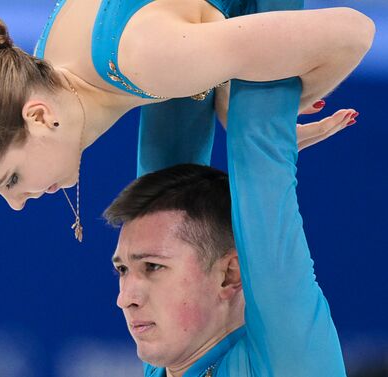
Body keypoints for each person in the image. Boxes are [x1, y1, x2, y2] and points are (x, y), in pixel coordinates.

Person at [0, 0, 374, 240]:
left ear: (38, 116)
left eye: (9, 179)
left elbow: (352, 32)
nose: (17, 203)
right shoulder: (45, 64)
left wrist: (263, 115)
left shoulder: (148, 59)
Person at [103, 75, 347, 376]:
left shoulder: (287, 359)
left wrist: (267, 131)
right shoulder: (173, 355)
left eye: (153, 266)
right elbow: (178, 92)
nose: (125, 299)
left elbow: (260, 159)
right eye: (122, 270)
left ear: (229, 274)